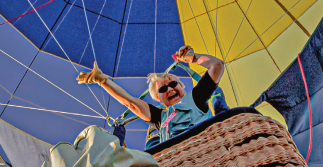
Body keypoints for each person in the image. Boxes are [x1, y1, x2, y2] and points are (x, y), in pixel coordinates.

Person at [78, 45, 226, 150]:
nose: (169, 89)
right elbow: (130, 103)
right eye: (162, 88)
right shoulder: (160, 117)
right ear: (159, 100)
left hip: (214, 150)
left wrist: (192, 58)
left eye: (173, 83)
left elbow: (217, 66)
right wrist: (102, 80)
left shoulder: (195, 98)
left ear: (182, 87)